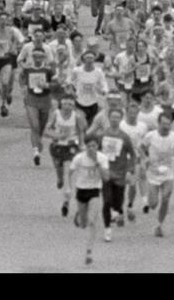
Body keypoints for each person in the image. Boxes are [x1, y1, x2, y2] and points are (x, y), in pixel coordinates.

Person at [68, 136, 110, 265]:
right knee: (83, 224)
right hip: (81, 189)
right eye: (89, 146)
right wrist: (68, 188)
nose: (91, 148)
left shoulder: (102, 158)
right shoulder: (79, 158)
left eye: (94, 146)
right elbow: (70, 172)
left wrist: (96, 162)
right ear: (85, 146)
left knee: (92, 222)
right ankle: (80, 215)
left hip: (94, 190)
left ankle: (89, 251)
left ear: (98, 147)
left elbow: (106, 178)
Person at [98, 109, 137, 243]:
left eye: (117, 117)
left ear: (121, 119)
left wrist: (130, 170)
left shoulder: (125, 137)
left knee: (118, 201)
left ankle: (118, 212)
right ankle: (107, 229)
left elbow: (132, 155)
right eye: (112, 117)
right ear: (109, 118)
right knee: (106, 201)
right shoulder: (102, 135)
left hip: (120, 174)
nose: (114, 119)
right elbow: (96, 151)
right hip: (106, 173)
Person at [143, 112, 174, 238]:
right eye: (163, 124)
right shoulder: (150, 136)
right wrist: (145, 158)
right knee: (153, 204)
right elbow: (141, 147)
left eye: (168, 124)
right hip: (153, 173)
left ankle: (159, 225)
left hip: (168, 173)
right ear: (158, 123)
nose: (166, 126)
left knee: (166, 197)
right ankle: (150, 200)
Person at [19, 47, 56, 165]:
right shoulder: (28, 69)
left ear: (44, 57)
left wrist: (47, 85)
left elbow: (55, 84)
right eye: (35, 56)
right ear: (32, 57)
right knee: (34, 125)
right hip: (32, 99)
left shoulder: (48, 70)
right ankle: (36, 152)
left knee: (41, 126)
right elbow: (21, 77)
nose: (38, 59)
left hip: (45, 99)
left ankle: (38, 141)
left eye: (40, 56)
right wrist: (23, 87)